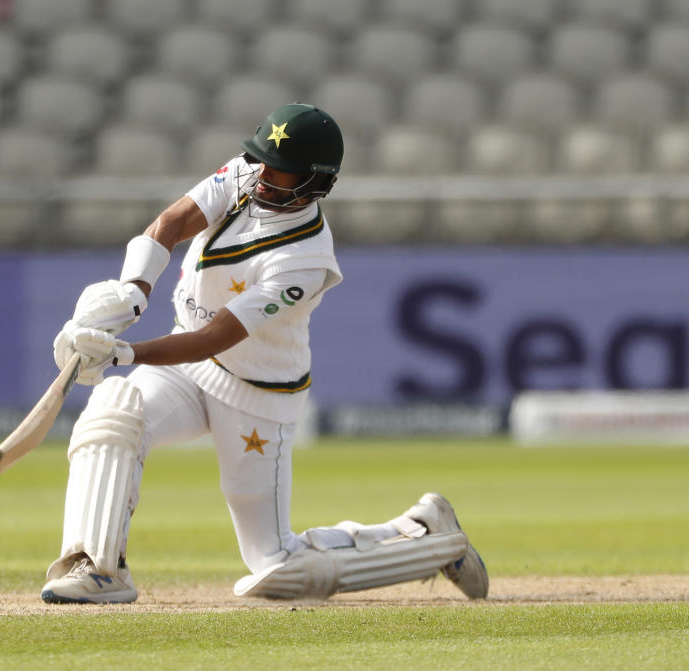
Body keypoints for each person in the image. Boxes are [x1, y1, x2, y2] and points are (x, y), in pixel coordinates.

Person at [39, 103, 488, 604]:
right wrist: (131, 294)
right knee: (114, 409)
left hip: (255, 395)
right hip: (190, 370)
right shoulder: (249, 170)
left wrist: (123, 352)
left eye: (279, 175)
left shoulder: (305, 261)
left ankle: (427, 534)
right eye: (261, 165)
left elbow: (216, 337)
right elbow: (170, 222)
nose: (261, 180)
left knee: (276, 570)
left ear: (314, 184)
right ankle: (97, 568)